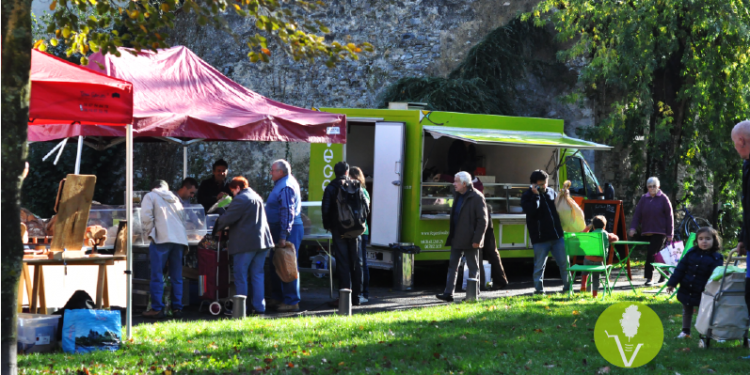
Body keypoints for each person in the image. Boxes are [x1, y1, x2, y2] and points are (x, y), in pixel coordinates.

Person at [216, 176, 274, 315]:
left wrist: (216, 223)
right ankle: (259, 308)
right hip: (262, 243)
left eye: (233, 192)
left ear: (237, 188)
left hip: (245, 244)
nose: (233, 195)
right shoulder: (257, 196)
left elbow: (228, 218)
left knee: (240, 275)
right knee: (257, 275)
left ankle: (241, 309)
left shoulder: (241, 199)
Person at [436, 171, 489, 302]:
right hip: (457, 237)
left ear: (464, 184)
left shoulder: (477, 197)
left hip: (471, 239)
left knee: (473, 267)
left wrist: (477, 239)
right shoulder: (458, 195)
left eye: (456, 181)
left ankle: (473, 295)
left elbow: (483, 220)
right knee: (452, 266)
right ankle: (448, 293)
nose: (454, 184)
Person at [140, 180, 188, 319]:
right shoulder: (175, 199)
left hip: (161, 239)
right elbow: (183, 218)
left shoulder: (150, 196)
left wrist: (150, 233)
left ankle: (156, 308)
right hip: (179, 239)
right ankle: (177, 308)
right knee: (176, 276)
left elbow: (146, 216)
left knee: (157, 275)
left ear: (154, 187)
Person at [665, 227, 723, 338]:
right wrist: (672, 283)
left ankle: (706, 332)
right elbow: (680, 269)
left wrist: (712, 287)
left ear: (714, 241)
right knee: (687, 310)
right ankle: (685, 331)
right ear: (697, 241)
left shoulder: (716, 257)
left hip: (704, 289)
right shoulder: (691, 253)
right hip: (688, 287)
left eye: (707, 239)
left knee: (705, 312)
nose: (704, 241)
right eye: (701, 239)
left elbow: (716, 274)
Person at [265, 160, 304, 312]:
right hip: (282, 230)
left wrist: (283, 236)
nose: (271, 173)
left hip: (288, 230)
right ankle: (279, 297)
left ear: (281, 172)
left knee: (288, 264)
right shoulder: (283, 183)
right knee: (277, 263)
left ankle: (291, 300)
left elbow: (287, 212)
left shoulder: (286, 186)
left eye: (273, 170)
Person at [521, 169, 569, 294]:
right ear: (533, 184)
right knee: (539, 266)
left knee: (565, 263)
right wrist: (536, 195)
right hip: (540, 238)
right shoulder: (527, 196)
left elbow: (560, 208)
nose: (544, 186)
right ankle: (539, 290)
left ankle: (568, 287)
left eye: (545, 183)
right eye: (541, 184)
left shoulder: (551, 192)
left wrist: (565, 197)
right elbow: (532, 211)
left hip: (557, 236)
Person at [322, 161, 362, 307]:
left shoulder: (331, 187)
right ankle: (357, 297)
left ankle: (345, 299)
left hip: (339, 229)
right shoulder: (355, 185)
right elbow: (365, 207)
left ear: (335, 172)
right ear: (347, 172)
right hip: (355, 229)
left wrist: (328, 226)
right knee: (355, 262)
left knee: (343, 262)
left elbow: (325, 210)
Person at [628, 176, 674, 286]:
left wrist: (670, 233)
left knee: (651, 254)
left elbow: (669, 217)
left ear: (658, 186)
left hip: (660, 232)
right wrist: (633, 228)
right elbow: (637, 215)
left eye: (654, 186)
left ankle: (649, 278)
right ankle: (664, 274)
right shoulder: (644, 199)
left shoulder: (664, 199)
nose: (652, 188)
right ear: (647, 187)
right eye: (650, 186)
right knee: (659, 254)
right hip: (646, 231)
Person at [730, 120, 750, 322]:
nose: (735, 148)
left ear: (742, 141)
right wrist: (744, 237)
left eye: (735, 143)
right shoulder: (747, 165)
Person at [349, 166, 371, 303]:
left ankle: (364, 293)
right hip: (361, 230)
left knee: (361, 263)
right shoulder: (363, 191)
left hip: (361, 232)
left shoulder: (361, 191)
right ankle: (360, 292)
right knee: (359, 263)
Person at [581, 215, 619, 295]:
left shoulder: (591, 234)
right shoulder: (605, 234)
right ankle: (594, 294)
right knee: (596, 278)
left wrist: (588, 227)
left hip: (588, 259)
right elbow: (615, 239)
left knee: (585, 270)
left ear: (593, 227)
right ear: (604, 227)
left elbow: (581, 235)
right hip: (599, 261)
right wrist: (611, 234)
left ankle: (584, 282)